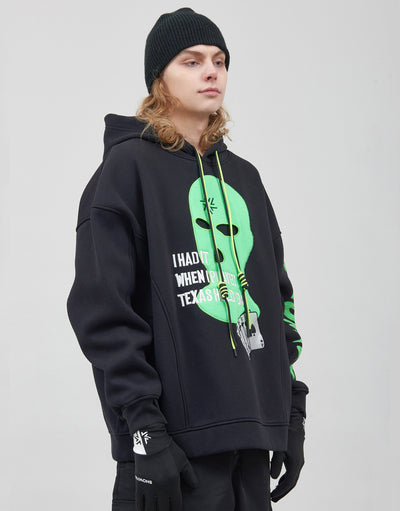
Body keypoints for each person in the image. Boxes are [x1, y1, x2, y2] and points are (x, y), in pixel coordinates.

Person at [66, 7, 309, 511]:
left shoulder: (245, 178)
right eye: (192, 61)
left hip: (250, 444)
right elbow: (103, 311)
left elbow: (276, 299)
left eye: (219, 60)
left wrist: (291, 413)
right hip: (172, 449)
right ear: (160, 78)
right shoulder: (125, 171)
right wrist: (144, 430)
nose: (211, 72)